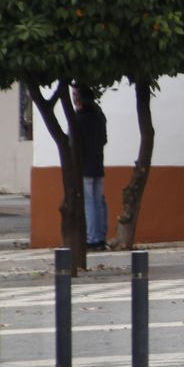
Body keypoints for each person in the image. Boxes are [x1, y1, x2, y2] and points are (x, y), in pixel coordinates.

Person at [71, 85, 109, 251]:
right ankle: (100, 237)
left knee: (89, 203)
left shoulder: (79, 118)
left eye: (75, 94)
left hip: (84, 166)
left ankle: (92, 238)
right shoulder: (99, 115)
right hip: (98, 163)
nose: (73, 98)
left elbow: (73, 143)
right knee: (98, 201)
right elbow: (104, 139)